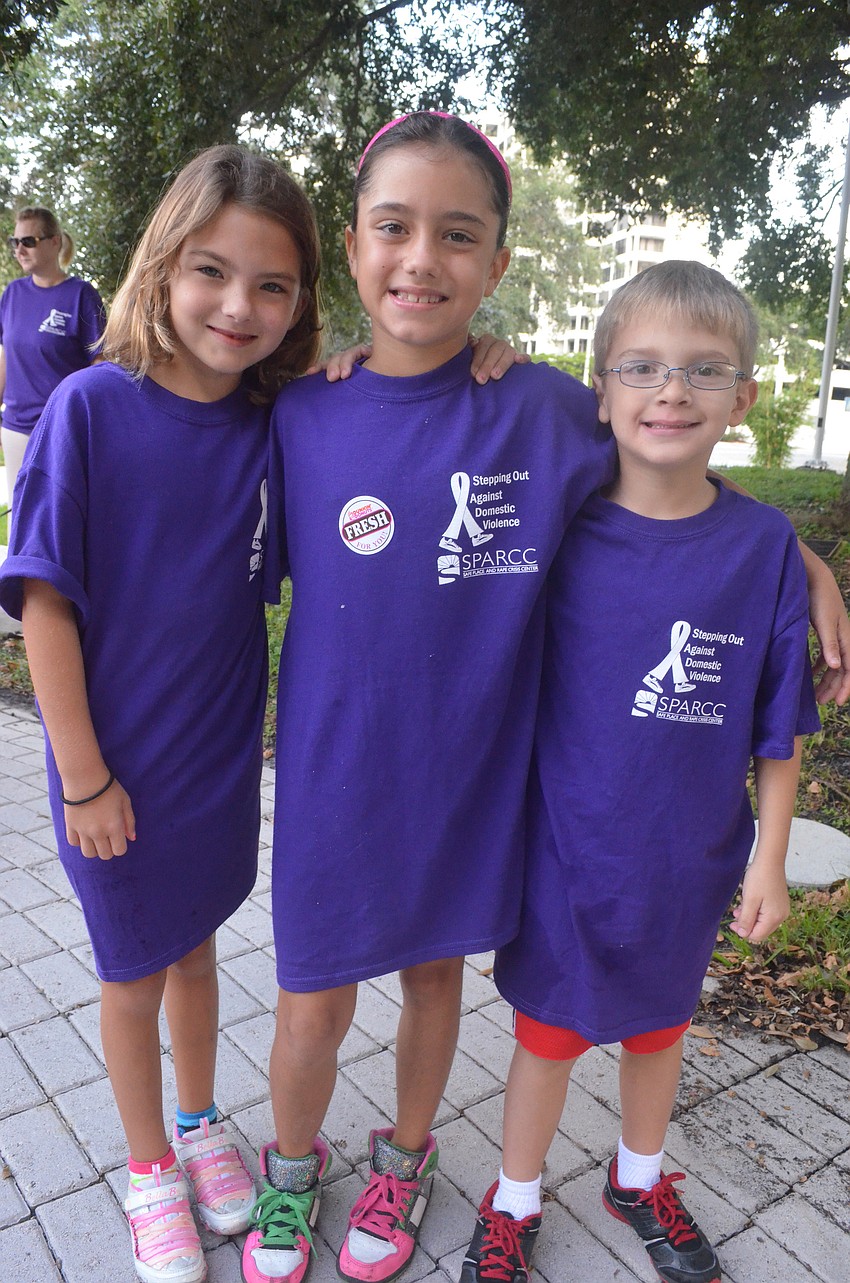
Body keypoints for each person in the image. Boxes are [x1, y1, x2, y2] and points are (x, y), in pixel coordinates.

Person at [242, 111, 618, 1283]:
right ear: (353, 247)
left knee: (432, 981)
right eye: (393, 228)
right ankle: (291, 1168)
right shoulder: (297, 412)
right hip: (331, 776)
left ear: (496, 265)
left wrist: (794, 558)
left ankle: (405, 1155)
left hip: (464, 778)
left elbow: (673, 482)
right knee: (310, 1004)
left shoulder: (543, 410)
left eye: (457, 236)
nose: (421, 259)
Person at [461, 261, 823, 1283]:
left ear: (743, 397)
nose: (671, 390)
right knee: (549, 1035)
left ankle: (638, 1175)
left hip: (689, 856)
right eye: (643, 367)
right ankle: (514, 1194)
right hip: (565, 850)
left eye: (704, 370)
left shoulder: (763, 547)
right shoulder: (557, 527)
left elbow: (779, 722)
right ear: (601, 389)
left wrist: (769, 858)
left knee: (660, 1029)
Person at [0, 145, 324, 1283]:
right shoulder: (90, 407)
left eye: (272, 284)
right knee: (132, 970)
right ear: (163, 268)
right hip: (114, 766)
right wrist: (84, 776)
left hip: (217, 758)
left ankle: (198, 1120)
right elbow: (43, 603)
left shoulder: (279, 425)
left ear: (300, 300)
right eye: (211, 272)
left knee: (195, 949)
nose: (239, 305)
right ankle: (148, 1167)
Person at [0, 206, 105, 513]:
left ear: (55, 241)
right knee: (20, 515)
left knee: (59, 515)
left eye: (28, 241)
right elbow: (5, 356)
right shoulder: (12, 294)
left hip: (62, 429)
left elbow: (100, 365)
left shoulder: (81, 295)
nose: (19, 249)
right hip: (15, 428)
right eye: (15, 242)